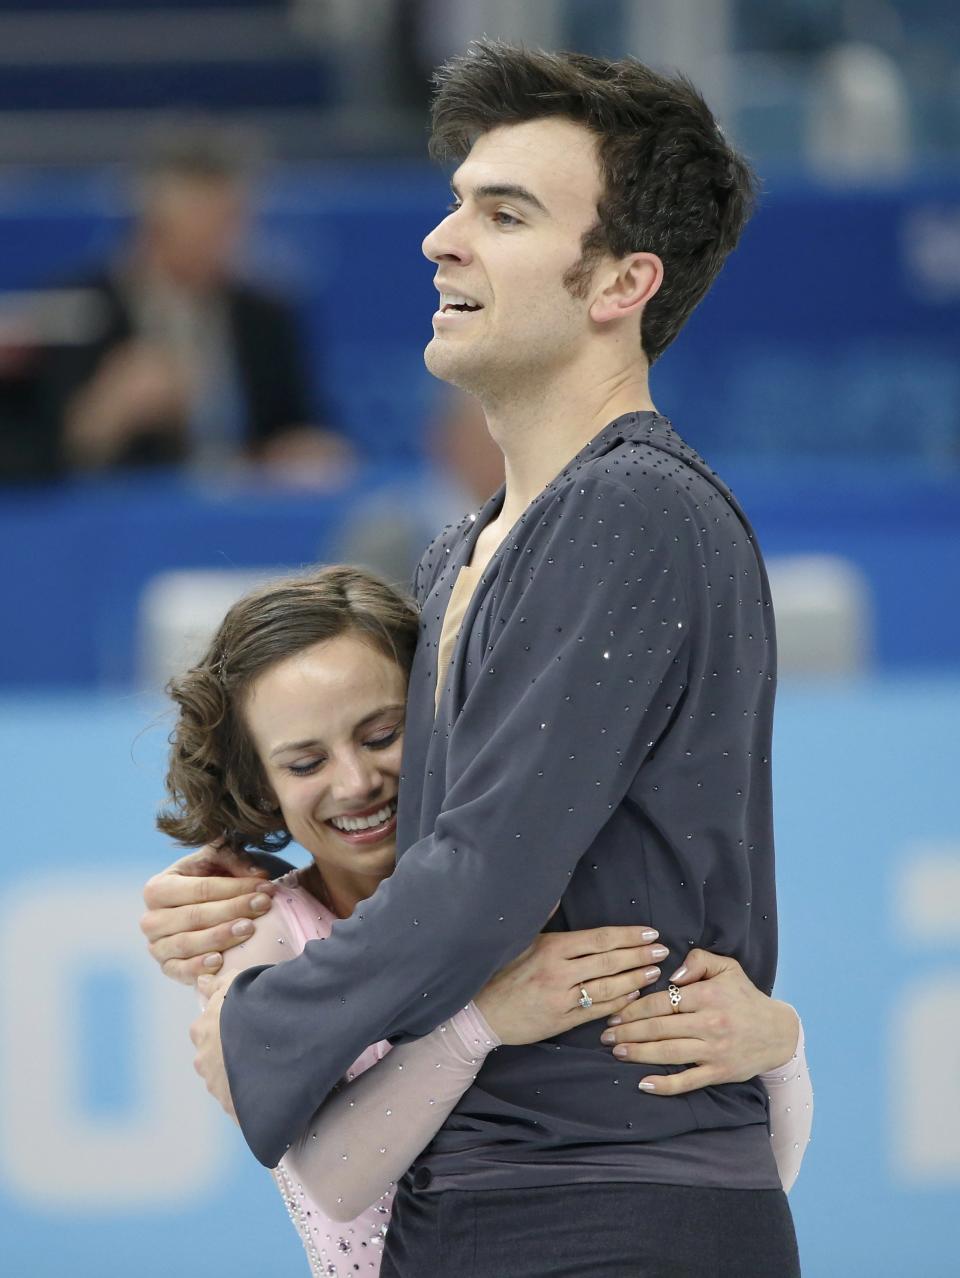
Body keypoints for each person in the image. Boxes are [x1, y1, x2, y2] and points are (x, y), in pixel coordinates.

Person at [145, 42, 805, 1275]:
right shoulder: (461, 551)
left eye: (504, 213)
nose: (441, 240)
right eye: (457, 203)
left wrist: (265, 1021)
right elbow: (426, 841)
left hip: (606, 1213)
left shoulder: (630, 512)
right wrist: (235, 890)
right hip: (482, 1207)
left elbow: (485, 872)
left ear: (621, 282)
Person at [152, 566, 810, 1277]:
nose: (355, 782)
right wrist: (483, 1023)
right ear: (259, 786)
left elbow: (746, 1173)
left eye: (381, 734)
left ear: (448, 720)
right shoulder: (264, 930)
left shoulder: (550, 891)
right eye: (306, 762)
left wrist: (782, 1050)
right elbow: (333, 1184)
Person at [40, 124, 350, 479]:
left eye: (232, 222)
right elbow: (33, 461)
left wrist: (303, 451)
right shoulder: (76, 313)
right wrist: (105, 417)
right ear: (153, 224)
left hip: (242, 518)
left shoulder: (265, 316)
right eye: (205, 225)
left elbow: (299, 426)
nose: (224, 242)